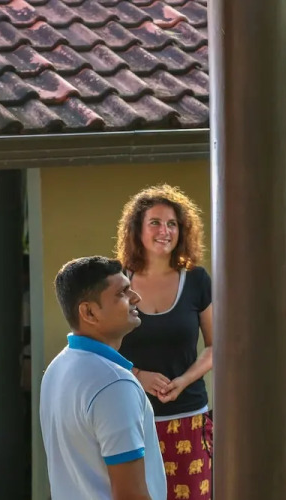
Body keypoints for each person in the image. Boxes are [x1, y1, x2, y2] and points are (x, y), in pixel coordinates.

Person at [115, 184, 213, 500]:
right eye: (155, 222)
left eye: (172, 224)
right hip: (129, 419)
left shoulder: (197, 280)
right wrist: (138, 375)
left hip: (188, 417)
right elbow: (100, 349)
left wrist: (184, 380)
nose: (164, 231)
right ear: (137, 229)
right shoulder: (116, 280)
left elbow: (216, 347)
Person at [40, 256, 166, 500]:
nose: (136, 297)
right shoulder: (115, 384)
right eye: (122, 293)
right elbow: (130, 495)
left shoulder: (57, 368)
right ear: (89, 312)